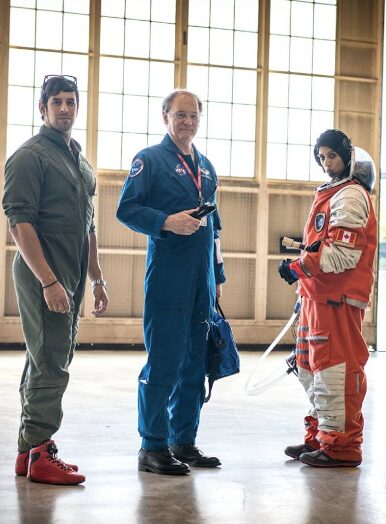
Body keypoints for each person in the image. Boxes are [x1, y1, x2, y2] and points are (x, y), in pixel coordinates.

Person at [2, 75, 109, 485]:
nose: (65, 108)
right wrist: (48, 281)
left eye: (71, 101)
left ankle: (28, 451)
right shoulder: (30, 156)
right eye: (57, 102)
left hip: (73, 270)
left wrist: (97, 277)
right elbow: (19, 223)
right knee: (51, 361)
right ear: (42, 108)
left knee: (44, 356)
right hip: (42, 270)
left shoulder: (78, 160)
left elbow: (89, 225)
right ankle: (42, 452)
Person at [116, 89, 226, 475]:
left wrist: (219, 276)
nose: (188, 122)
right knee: (164, 360)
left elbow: (215, 226)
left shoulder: (207, 167)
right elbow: (126, 209)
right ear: (165, 117)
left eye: (194, 115)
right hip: (168, 277)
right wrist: (166, 221)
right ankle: (153, 445)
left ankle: (184, 440)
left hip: (202, 281)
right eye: (181, 115)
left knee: (196, 363)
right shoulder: (149, 160)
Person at [278, 129, 377, 467]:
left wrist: (298, 266)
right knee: (310, 371)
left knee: (335, 371)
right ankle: (320, 437)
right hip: (315, 297)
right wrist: (302, 278)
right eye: (321, 157)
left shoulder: (351, 195)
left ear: (347, 157)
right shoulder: (330, 193)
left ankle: (342, 446)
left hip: (337, 299)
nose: (326, 163)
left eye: (331, 156)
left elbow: (343, 255)